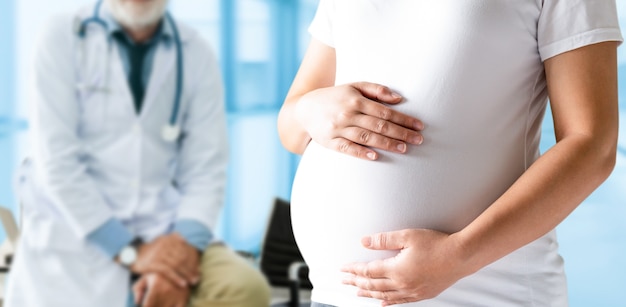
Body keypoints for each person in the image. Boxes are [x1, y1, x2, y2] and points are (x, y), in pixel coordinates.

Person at [277, 1, 622, 306]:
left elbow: (592, 145)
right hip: (336, 294)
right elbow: (292, 130)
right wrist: (309, 109)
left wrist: (459, 255)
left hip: (486, 294)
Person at [6, 0, 270, 306]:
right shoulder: (62, 36)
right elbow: (58, 164)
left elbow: (205, 170)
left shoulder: (195, 52)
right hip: (74, 234)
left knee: (243, 287)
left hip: (162, 228)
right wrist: (133, 254)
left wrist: (180, 255)